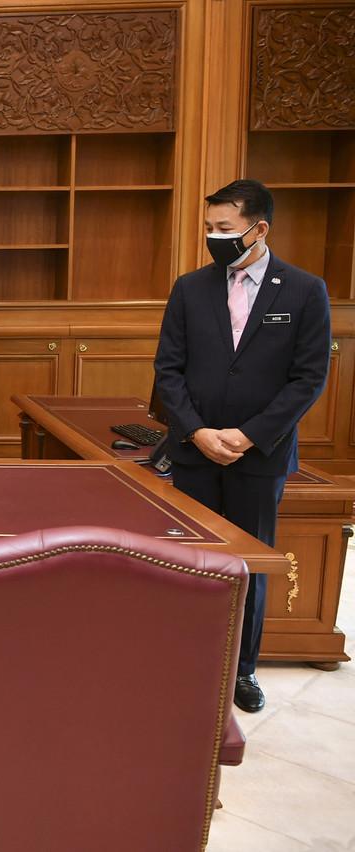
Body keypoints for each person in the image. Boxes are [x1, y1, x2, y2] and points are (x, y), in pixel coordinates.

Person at [154, 179, 331, 713]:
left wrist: (250, 434)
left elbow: (308, 379)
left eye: (224, 229)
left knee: (248, 563)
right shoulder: (190, 288)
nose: (214, 237)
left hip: (260, 456)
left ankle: (241, 671)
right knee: (194, 561)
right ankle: (186, 663)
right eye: (209, 228)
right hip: (194, 451)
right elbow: (168, 371)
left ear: (260, 229)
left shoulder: (303, 290)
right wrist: (197, 431)